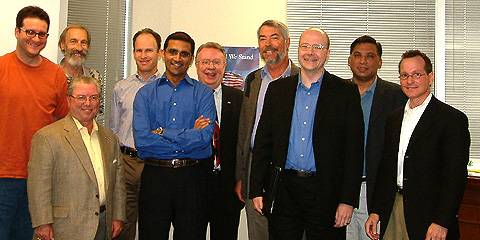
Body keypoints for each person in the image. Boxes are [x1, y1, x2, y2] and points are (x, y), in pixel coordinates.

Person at [250, 27, 364, 239]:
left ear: (328, 53)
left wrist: (347, 200)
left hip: (326, 192)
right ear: (297, 49)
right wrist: (257, 189)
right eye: (305, 46)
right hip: (284, 190)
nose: (310, 52)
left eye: (318, 47)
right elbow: (263, 144)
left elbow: (354, 152)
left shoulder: (346, 92)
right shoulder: (278, 90)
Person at [365, 50, 470, 240]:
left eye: (417, 74)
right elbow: (386, 168)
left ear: (430, 77)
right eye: (405, 75)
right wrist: (376, 211)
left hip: (430, 217)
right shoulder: (394, 118)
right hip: (394, 209)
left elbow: (455, 177)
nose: (410, 80)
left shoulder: (452, 119)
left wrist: (442, 221)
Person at [133, 31, 215, 240]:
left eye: (184, 54)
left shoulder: (204, 93)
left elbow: (205, 139)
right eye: (172, 52)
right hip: (155, 177)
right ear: (163, 53)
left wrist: (161, 132)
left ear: (191, 59)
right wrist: (189, 135)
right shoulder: (145, 94)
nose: (177, 59)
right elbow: (142, 140)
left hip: (192, 177)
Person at [0, 6, 69, 240]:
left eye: (42, 34)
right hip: (3, 175)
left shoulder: (56, 75)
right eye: (30, 32)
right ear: (17, 32)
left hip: (39, 178)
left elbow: (62, 122)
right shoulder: (1, 68)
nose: (36, 39)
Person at [27, 76, 126, 240]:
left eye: (93, 98)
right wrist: (42, 223)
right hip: (65, 227)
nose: (87, 103)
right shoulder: (47, 137)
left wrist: (118, 215)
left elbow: (118, 182)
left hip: (103, 224)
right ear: (68, 100)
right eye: (81, 97)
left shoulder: (110, 138)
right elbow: (38, 186)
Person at [235, 19, 300, 240]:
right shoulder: (253, 80)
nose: (268, 44)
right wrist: (241, 176)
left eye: (274, 37)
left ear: (287, 42)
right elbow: (244, 131)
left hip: (288, 168)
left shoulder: (301, 79)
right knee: (258, 230)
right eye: (263, 39)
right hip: (255, 166)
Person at [346, 35, 407, 240]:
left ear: (379, 62)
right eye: (358, 55)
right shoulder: (337, 93)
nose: (363, 61)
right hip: (341, 191)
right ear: (349, 60)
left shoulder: (397, 96)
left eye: (370, 56)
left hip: (375, 192)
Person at [110, 27, 162, 240]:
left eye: (149, 50)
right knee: (122, 224)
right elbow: (114, 130)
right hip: (127, 163)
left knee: (154, 224)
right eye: (139, 50)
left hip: (156, 164)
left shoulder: (169, 88)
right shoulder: (121, 88)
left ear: (160, 53)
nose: (143, 55)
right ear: (133, 53)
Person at [195, 42, 244, 240]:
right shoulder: (184, 98)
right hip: (193, 185)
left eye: (216, 62)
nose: (211, 67)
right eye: (205, 62)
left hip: (227, 188)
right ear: (196, 65)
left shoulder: (241, 99)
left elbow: (244, 145)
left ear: (225, 66)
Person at [58, 23, 105, 122]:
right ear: (63, 45)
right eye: (73, 42)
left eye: (83, 42)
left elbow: (97, 114)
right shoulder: (52, 77)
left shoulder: (95, 77)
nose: (79, 48)